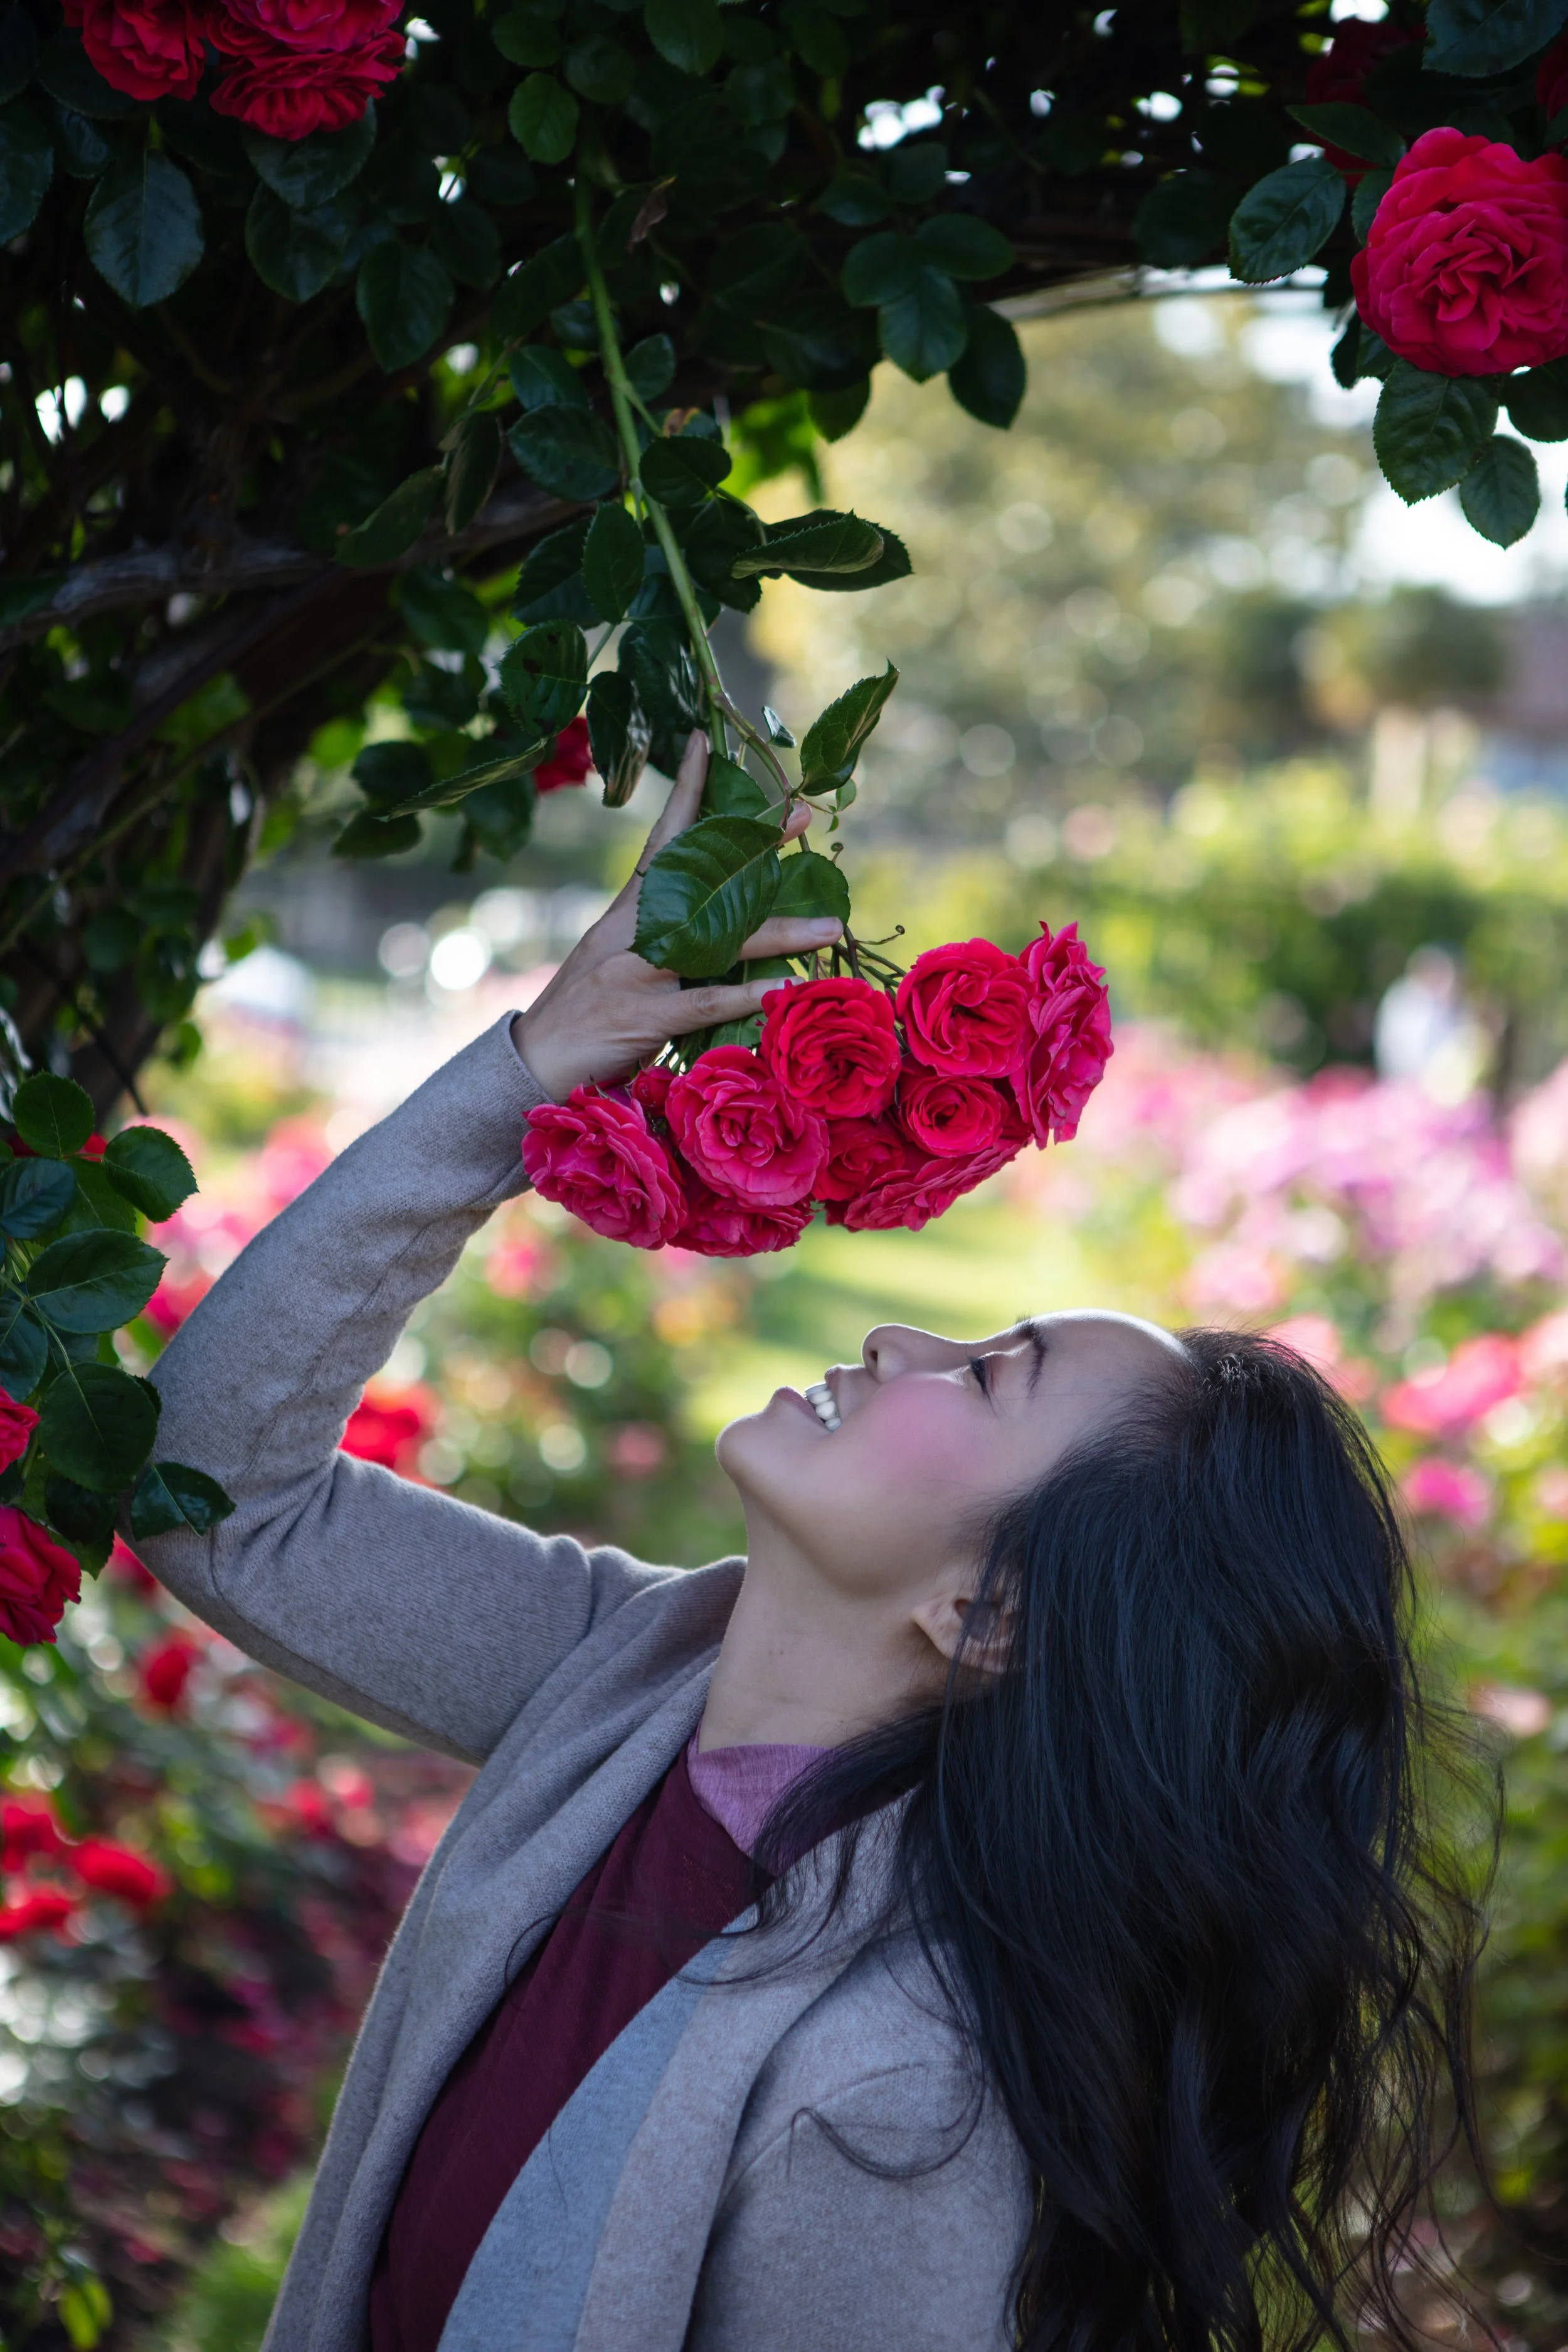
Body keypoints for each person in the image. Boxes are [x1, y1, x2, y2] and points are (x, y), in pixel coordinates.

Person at [140, 736, 1493, 2352]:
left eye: (993, 1377)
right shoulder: (626, 1687)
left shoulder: (899, 2105)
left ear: (989, 1616)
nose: (910, 1337)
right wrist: (535, 1069)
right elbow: (220, 1485)